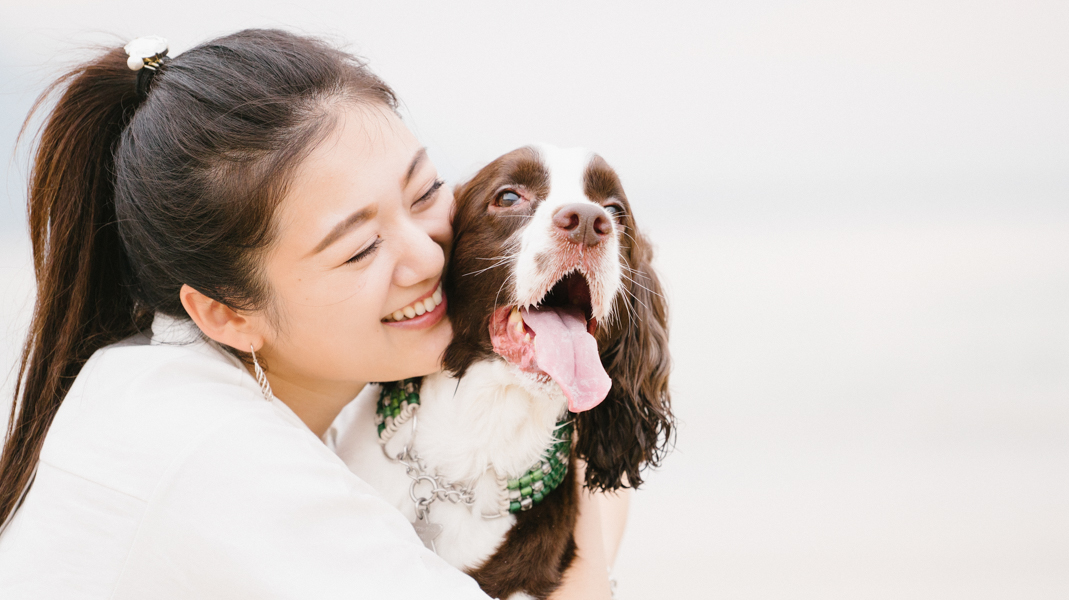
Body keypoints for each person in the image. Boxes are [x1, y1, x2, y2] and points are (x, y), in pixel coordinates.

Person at [0, 29, 617, 598]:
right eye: (360, 248)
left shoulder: (143, 378)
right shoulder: (222, 454)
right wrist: (592, 558)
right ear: (227, 313)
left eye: (425, 193)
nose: (426, 256)